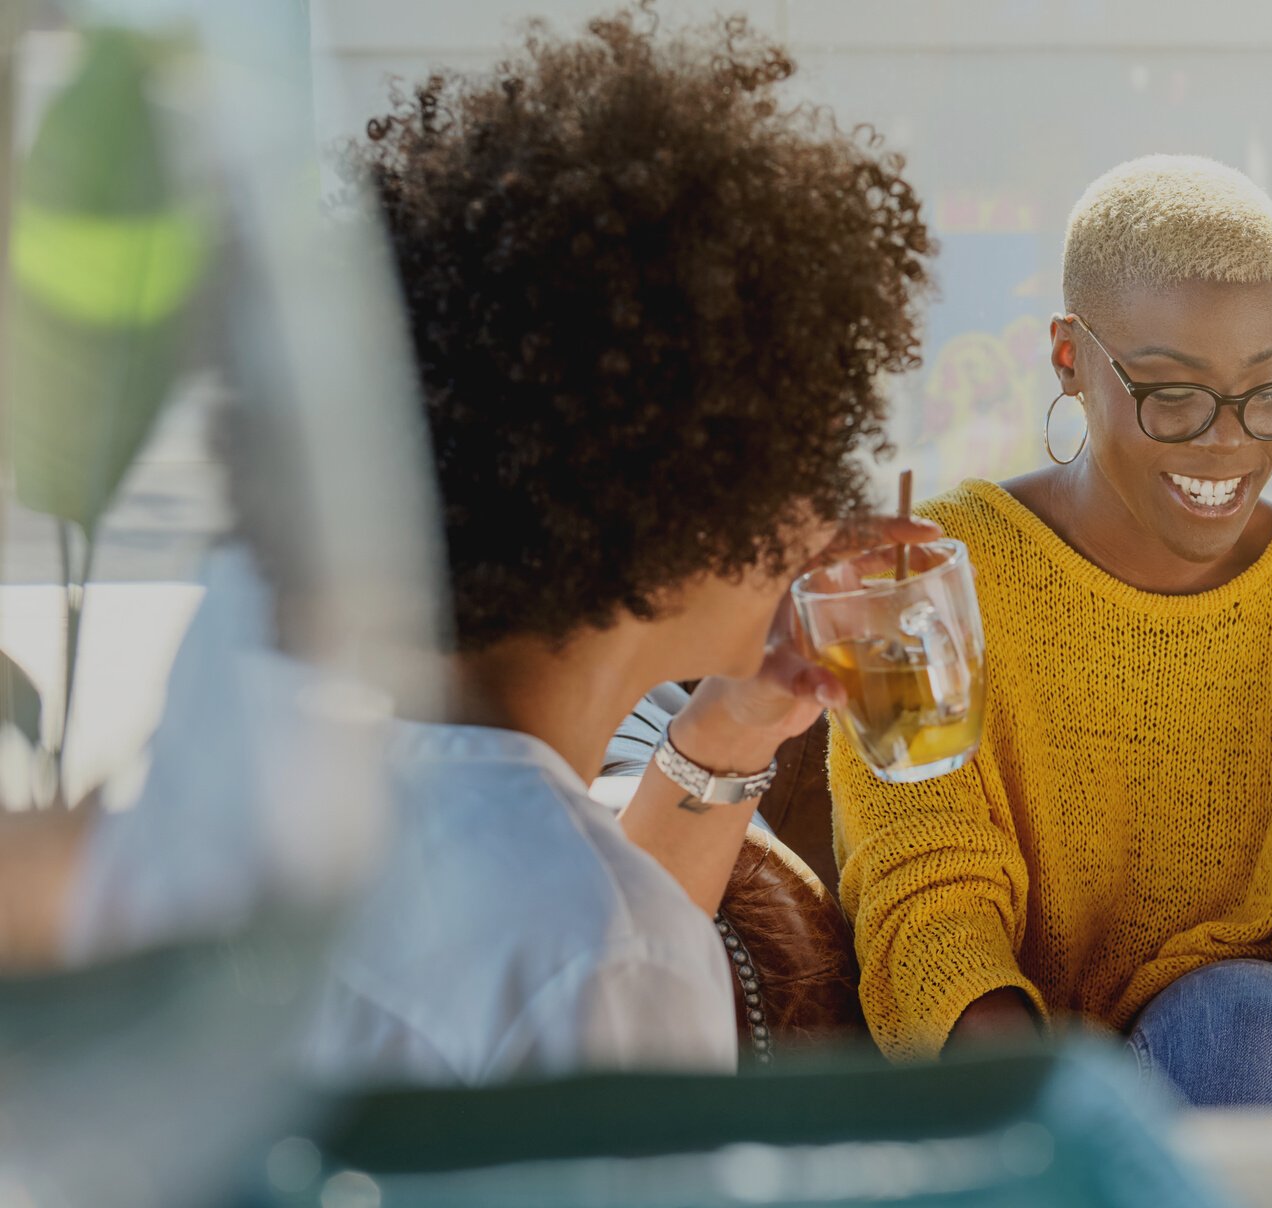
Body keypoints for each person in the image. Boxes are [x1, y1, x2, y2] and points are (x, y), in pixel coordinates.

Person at [296, 9, 936, 1084]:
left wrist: (732, 729)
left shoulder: (306, 813)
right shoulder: (607, 946)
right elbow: (589, 959)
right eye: (803, 456)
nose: (823, 522)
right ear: (687, 497)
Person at [829, 155, 1272, 1107]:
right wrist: (1058, 1130)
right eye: (1172, 394)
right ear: (1069, 357)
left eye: (1269, 391)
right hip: (1025, 1092)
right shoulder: (916, 578)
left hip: (1263, 1080)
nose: (1227, 443)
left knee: (1255, 1024)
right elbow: (926, 903)